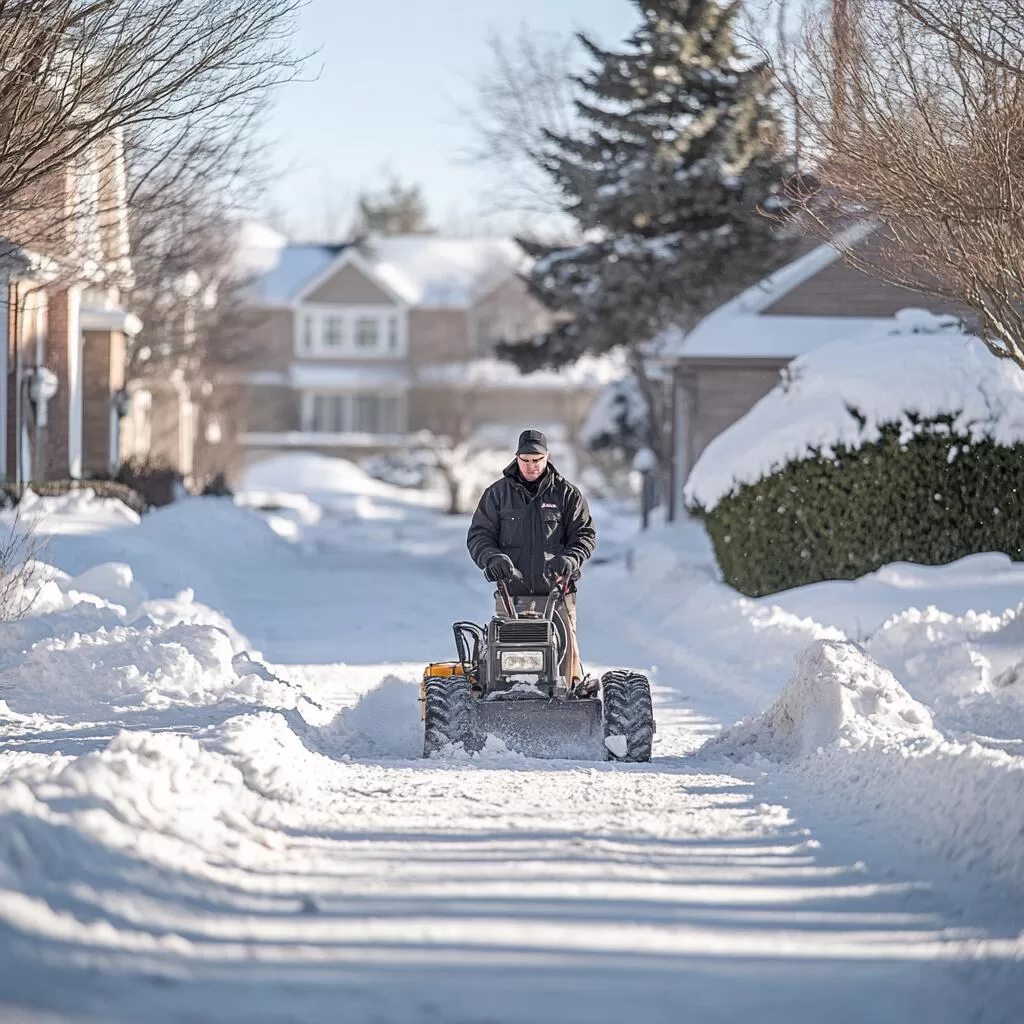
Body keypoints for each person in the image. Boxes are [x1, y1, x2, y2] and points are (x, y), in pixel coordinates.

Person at [467, 428, 597, 687]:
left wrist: (570, 559)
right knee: (505, 663)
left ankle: (569, 703)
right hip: (512, 593)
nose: (531, 466)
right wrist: (492, 558)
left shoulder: (567, 495)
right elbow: (479, 536)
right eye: (525, 460)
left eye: (537, 460)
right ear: (516, 458)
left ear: (547, 457)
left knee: (565, 667)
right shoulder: (497, 494)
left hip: (557, 593)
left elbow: (584, 535)